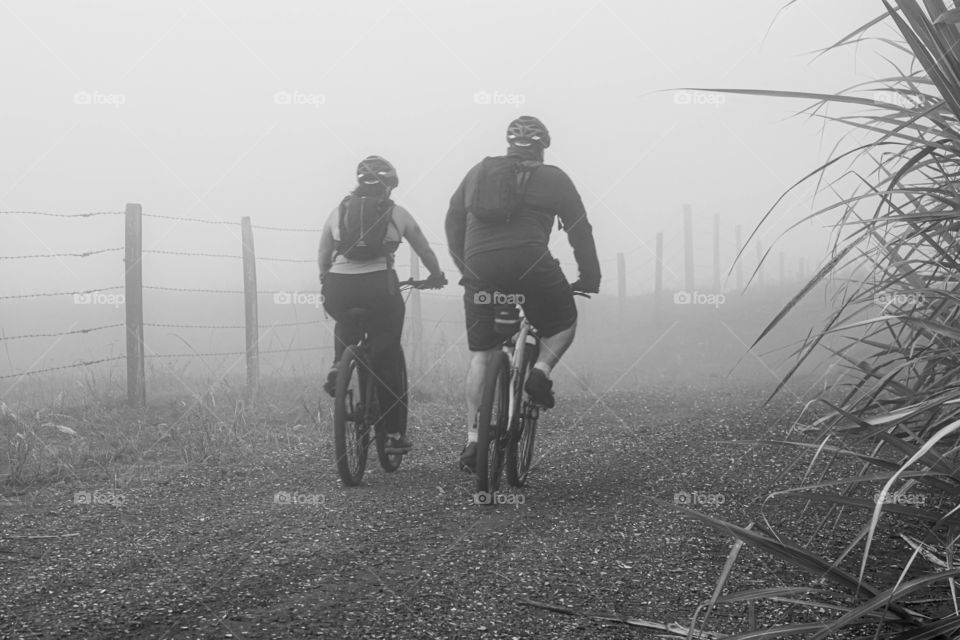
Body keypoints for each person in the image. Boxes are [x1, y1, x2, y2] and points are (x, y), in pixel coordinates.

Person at [445, 116, 601, 471]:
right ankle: (540, 372)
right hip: (532, 266)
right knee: (562, 323)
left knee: (483, 354)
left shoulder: (476, 174)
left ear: (509, 145)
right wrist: (589, 276)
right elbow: (579, 229)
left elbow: (453, 221)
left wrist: (466, 268)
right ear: (542, 148)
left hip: (480, 268)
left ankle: (472, 441)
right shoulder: (554, 177)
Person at [319, 155, 446, 454]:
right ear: (388, 186)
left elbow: (323, 253)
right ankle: (391, 435)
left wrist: (326, 278)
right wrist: (436, 275)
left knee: (346, 319)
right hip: (379, 288)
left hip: (338, 288)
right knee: (386, 353)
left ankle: (340, 363)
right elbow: (423, 248)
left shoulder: (338, 211)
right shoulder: (397, 213)